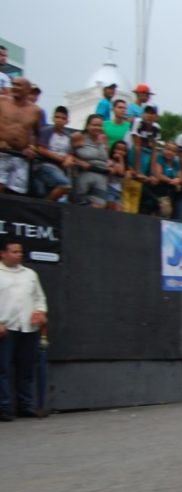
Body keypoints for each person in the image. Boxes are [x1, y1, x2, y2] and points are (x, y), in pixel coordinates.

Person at [0, 242, 47, 421]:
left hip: (28, 329)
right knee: (2, 369)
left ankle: (25, 405)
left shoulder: (30, 275)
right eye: (14, 251)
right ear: (3, 253)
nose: (19, 254)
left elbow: (39, 298)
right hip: (6, 329)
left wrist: (40, 313)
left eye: (20, 252)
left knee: (26, 369)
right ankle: (4, 407)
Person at [0, 77, 41, 195]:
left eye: (19, 85)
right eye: (14, 84)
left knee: (17, 192)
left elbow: (36, 134)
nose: (15, 87)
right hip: (2, 153)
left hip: (20, 155)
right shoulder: (2, 101)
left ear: (28, 90)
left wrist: (32, 147)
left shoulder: (35, 111)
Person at [34, 106, 75, 202]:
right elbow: (41, 149)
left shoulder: (68, 136)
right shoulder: (46, 131)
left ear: (67, 121)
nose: (59, 120)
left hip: (61, 170)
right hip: (46, 165)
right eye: (57, 117)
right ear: (53, 118)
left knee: (64, 196)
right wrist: (60, 159)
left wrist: (69, 159)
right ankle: (45, 205)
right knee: (65, 185)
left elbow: (71, 153)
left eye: (63, 118)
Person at [71, 114, 109, 208]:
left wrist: (111, 164)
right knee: (81, 204)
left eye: (99, 125)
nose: (97, 128)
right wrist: (79, 162)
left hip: (101, 176)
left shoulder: (103, 139)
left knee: (100, 205)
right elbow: (68, 155)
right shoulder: (79, 137)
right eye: (94, 125)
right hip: (84, 174)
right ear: (87, 125)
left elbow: (107, 157)